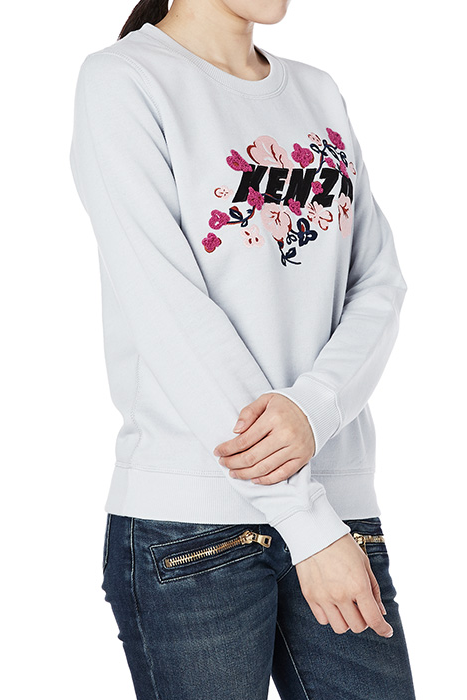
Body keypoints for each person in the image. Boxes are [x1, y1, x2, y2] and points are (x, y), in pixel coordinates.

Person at [68, 1, 417, 698]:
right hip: (193, 524)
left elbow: (378, 282)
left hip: (340, 505)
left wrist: (313, 407)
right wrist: (303, 519)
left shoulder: (316, 91)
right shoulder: (125, 81)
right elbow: (169, 312)